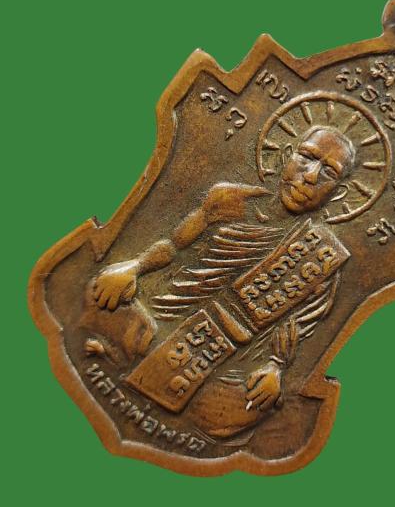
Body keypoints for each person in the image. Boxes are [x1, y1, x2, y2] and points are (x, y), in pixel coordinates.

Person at [84, 126, 356, 438]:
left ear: (338, 193)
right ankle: (125, 350)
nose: (310, 176)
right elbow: (174, 245)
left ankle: (119, 356)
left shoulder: (320, 256)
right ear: (285, 156)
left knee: (252, 406)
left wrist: (275, 368)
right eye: (306, 157)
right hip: (160, 320)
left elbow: (296, 326)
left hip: (223, 363)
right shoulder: (228, 199)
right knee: (101, 291)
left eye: (329, 172)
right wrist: (134, 267)